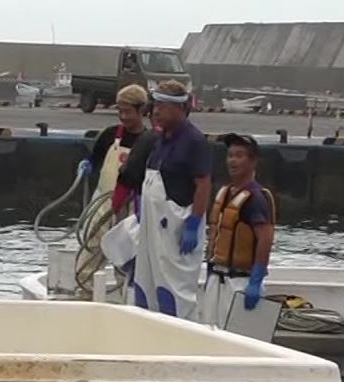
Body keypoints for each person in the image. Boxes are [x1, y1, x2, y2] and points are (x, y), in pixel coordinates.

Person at [125, 80, 211, 318]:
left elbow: (203, 184)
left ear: (180, 108)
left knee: (172, 290)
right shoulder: (160, 140)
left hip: (174, 227)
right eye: (155, 105)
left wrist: (194, 223)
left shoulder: (194, 141)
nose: (156, 111)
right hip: (151, 227)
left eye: (162, 106)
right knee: (145, 284)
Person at [70, 85, 153, 297]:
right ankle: (84, 294)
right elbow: (95, 159)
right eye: (120, 111)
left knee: (125, 257)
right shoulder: (109, 136)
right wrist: (87, 164)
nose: (123, 117)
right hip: (102, 204)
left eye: (128, 112)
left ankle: (126, 300)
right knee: (91, 250)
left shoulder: (148, 142)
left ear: (141, 110)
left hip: (131, 207)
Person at [198, 133, 276, 327]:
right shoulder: (225, 193)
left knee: (234, 333)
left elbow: (265, 239)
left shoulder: (256, 198)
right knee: (208, 331)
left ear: (253, 161)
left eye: (239, 155)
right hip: (216, 276)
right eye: (230, 155)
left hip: (239, 281)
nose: (232, 160)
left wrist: (256, 280)